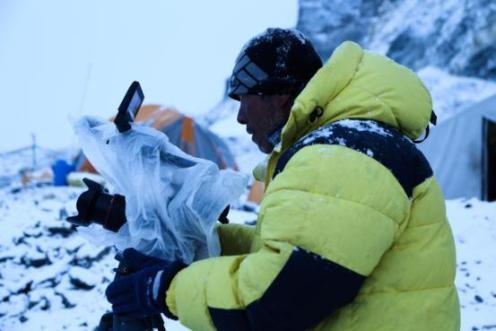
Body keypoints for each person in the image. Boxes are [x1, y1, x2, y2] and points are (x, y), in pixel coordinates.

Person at [105, 28, 460, 330]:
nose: (241, 116)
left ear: (283, 95)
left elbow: (281, 298)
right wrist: (169, 229)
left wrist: (165, 289)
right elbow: (286, 254)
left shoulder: (341, 155)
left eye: (245, 97)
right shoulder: (349, 143)